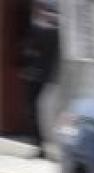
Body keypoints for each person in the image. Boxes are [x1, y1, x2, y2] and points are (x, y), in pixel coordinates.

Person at [19, 0, 60, 159]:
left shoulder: (43, 28)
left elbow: (32, 50)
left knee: (36, 111)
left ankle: (41, 146)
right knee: (36, 111)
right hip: (42, 75)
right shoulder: (44, 26)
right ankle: (40, 145)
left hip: (39, 75)